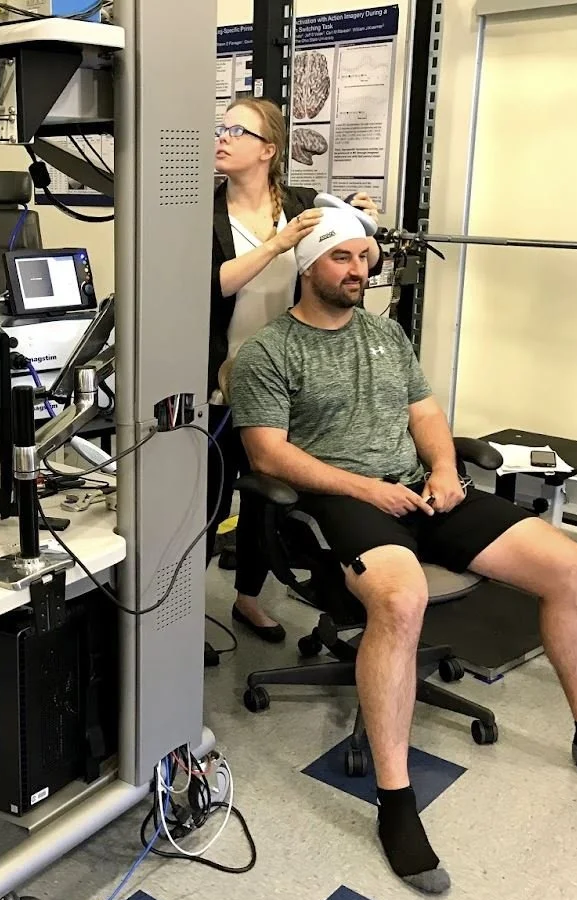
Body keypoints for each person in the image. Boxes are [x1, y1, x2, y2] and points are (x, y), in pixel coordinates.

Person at [228, 208, 577, 894]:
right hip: (344, 499)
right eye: (341, 257)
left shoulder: (386, 335)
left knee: (572, 567)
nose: (357, 270)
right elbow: (268, 454)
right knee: (400, 598)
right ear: (308, 265)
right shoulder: (269, 351)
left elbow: (426, 415)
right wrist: (368, 490)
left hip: (421, 491)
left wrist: (441, 469)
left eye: (364, 257)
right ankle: (395, 798)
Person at [209, 96, 383, 644]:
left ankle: (248, 598)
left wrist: (363, 225)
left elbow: (360, 262)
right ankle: (181, 614)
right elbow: (212, 285)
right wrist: (278, 243)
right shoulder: (201, 210)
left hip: (286, 379)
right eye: (221, 128)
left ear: (269, 149)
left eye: (237, 130)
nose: (222, 137)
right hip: (218, 381)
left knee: (267, 500)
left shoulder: (305, 203)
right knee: (209, 499)